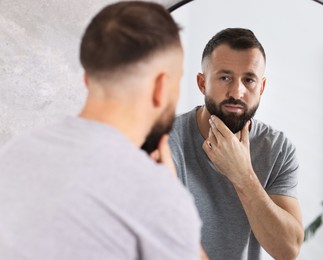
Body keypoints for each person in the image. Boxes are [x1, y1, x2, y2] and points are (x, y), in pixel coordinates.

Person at [0, 2, 202, 259]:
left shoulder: (13, 153)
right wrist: (171, 191)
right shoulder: (157, 195)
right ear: (161, 86)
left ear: (87, 79)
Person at [169, 28, 304, 260]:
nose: (237, 91)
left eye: (249, 80)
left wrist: (242, 174)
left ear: (261, 88)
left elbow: (288, 250)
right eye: (225, 77)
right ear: (202, 83)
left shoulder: (278, 149)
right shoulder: (165, 140)